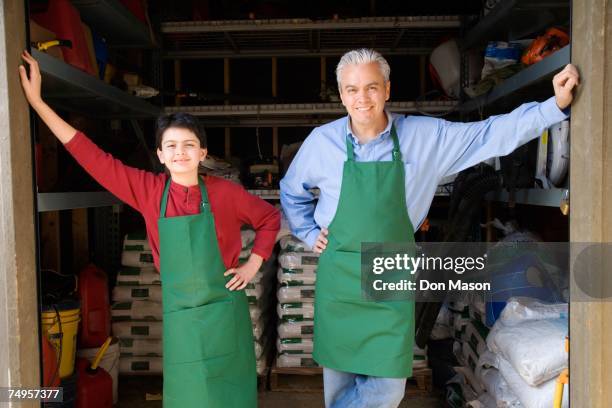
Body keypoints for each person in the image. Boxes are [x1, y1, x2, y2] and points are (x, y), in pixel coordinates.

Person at [280, 48, 579, 408]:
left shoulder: (424, 136)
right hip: (338, 277)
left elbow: (489, 134)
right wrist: (310, 232)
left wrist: (553, 107)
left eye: (371, 87)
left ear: (387, 90)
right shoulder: (321, 143)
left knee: (388, 388)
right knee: (340, 387)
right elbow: (291, 190)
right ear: (342, 94)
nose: (362, 98)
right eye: (352, 89)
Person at [19, 50, 279, 408]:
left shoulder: (225, 193)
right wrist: (37, 102)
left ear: (203, 152)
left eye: (189, 145)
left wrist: (253, 264)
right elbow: (90, 155)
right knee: (188, 395)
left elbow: (270, 218)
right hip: (180, 316)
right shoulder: (148, 190)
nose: (180, 152)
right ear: (159, 155)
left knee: (229, 394)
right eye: (171, 146)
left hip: (224, 312)